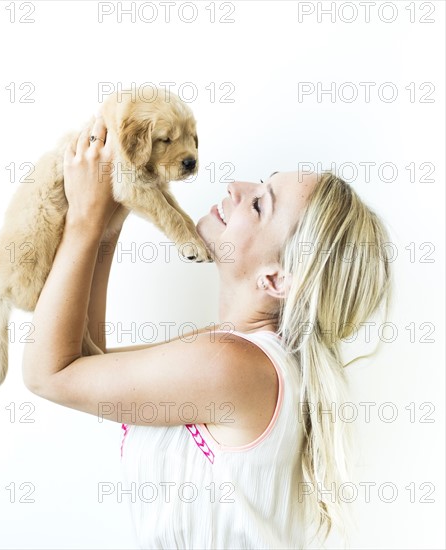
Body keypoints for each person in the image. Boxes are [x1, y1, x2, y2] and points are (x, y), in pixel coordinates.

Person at [22, 116, 392, 548]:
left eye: (258, 204)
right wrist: (109, 222)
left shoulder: (232, 366)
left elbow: (51, 374)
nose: (236, 187)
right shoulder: (241, 358)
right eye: (259, 184)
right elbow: (88, 362)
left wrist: (84, 220)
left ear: (275, 281)